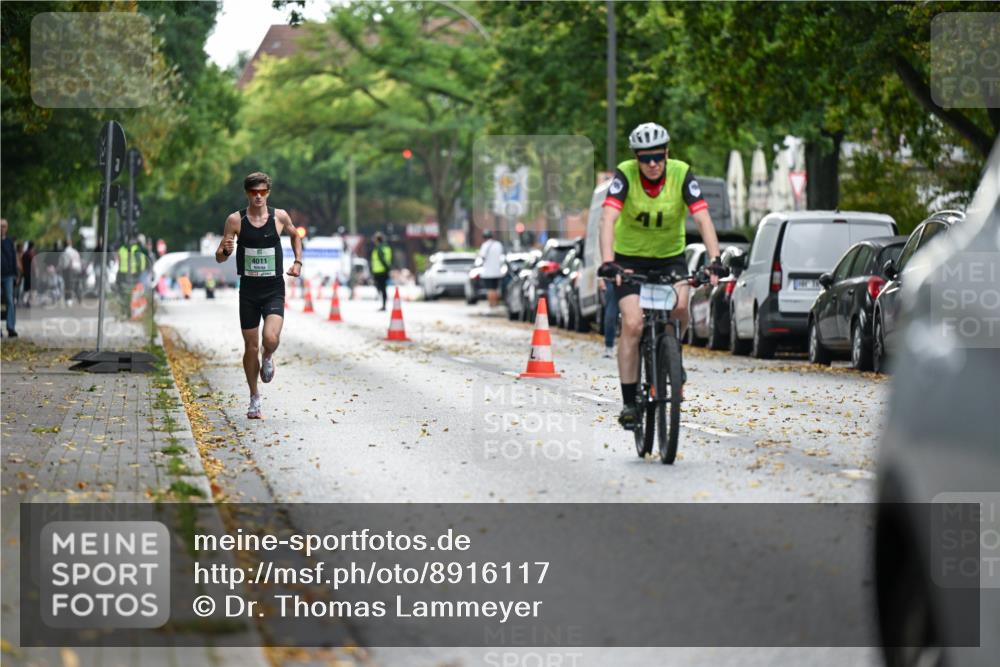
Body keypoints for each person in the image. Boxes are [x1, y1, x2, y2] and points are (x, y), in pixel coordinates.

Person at [597, 122, 724, 429]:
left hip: (670, 259)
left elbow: (703, 218)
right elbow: (608, 218)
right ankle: (629, 402)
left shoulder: (681, 173)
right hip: (629, 261)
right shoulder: (625, 174)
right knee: (633, 323)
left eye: (657, 157)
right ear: (636, 158)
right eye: (645, 158)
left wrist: (715, 260)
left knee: (680, 306)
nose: (652, 164)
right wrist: (608, 262)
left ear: (667, 153)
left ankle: (672, 355)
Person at [216, 172, 302, 420]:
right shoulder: (235, 220)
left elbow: (295, 235)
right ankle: (254, 398)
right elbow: (220, 256)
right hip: (249, 291)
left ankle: (269, 355)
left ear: (268, 193)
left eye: (262, 192)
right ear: (247, 193)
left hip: (274, 287)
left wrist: (297, 262)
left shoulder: (279, 216)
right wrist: (224, 250)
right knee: (250, 346)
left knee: (270, 338)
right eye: (254, 192)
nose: (258, 196)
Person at [1, 219, 21, 337]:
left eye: (4, 226)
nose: (2, 228)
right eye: (0, 226)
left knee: (9, 300)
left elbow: (13, 259)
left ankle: (11, 327)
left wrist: (16, 274)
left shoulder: (9, 242)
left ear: (6, 228)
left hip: (8, 275)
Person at [477, 229, 504, 309]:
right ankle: (496, 303)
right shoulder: (498, 244)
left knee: (490, 289)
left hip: (488, 272)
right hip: (497, 271)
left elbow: (482, 256)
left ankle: (491, 304)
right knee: (495, 289)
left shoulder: (485, 245)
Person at [370, 232, 391, 311]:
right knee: (383, 288)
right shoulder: (387, 248)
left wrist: (386, 268)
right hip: (382, 271)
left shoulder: (379, 249)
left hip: (380, 272)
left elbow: (382, 260)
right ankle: (384, 304)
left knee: (381, 288)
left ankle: (384, 305)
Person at [59, 237, 83, 305]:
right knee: (76, 284)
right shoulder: (75, 251)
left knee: (68, 285)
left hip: (69, 269)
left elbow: (63, 262)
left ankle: (69, 300)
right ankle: (79, 296)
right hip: (78, 269)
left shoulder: (65, 251)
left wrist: (60, 268)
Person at [20, 241, 35, 307]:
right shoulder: (30, 254)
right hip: (30, 273)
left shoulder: (24, 254)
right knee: (30, 288)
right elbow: (34, 264)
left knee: (26, 287)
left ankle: (25, 301)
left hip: (25, 272)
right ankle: (27, 301)